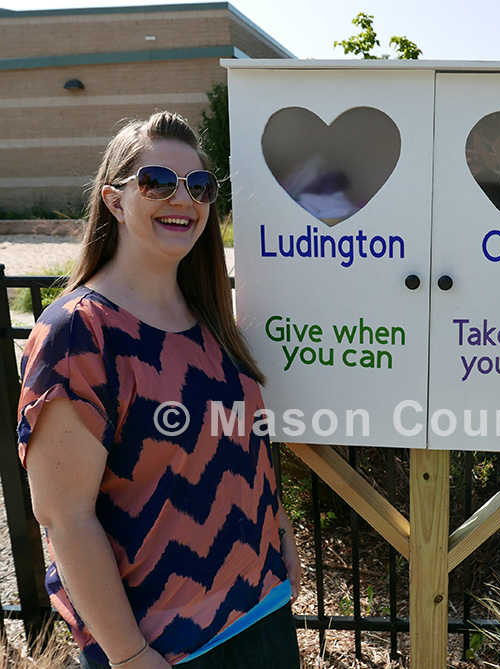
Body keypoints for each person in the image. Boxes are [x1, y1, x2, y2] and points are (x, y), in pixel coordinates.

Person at [17, 111, 302, 668]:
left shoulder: (213, 318)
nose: (183, 199)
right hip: (167, 648)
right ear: (115, 200)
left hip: (262, 610)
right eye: (157, 183)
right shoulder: (79, 332)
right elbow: (65, 517)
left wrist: (280, 525)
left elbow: (241, 444)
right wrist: (128, 656)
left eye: (198, 186)